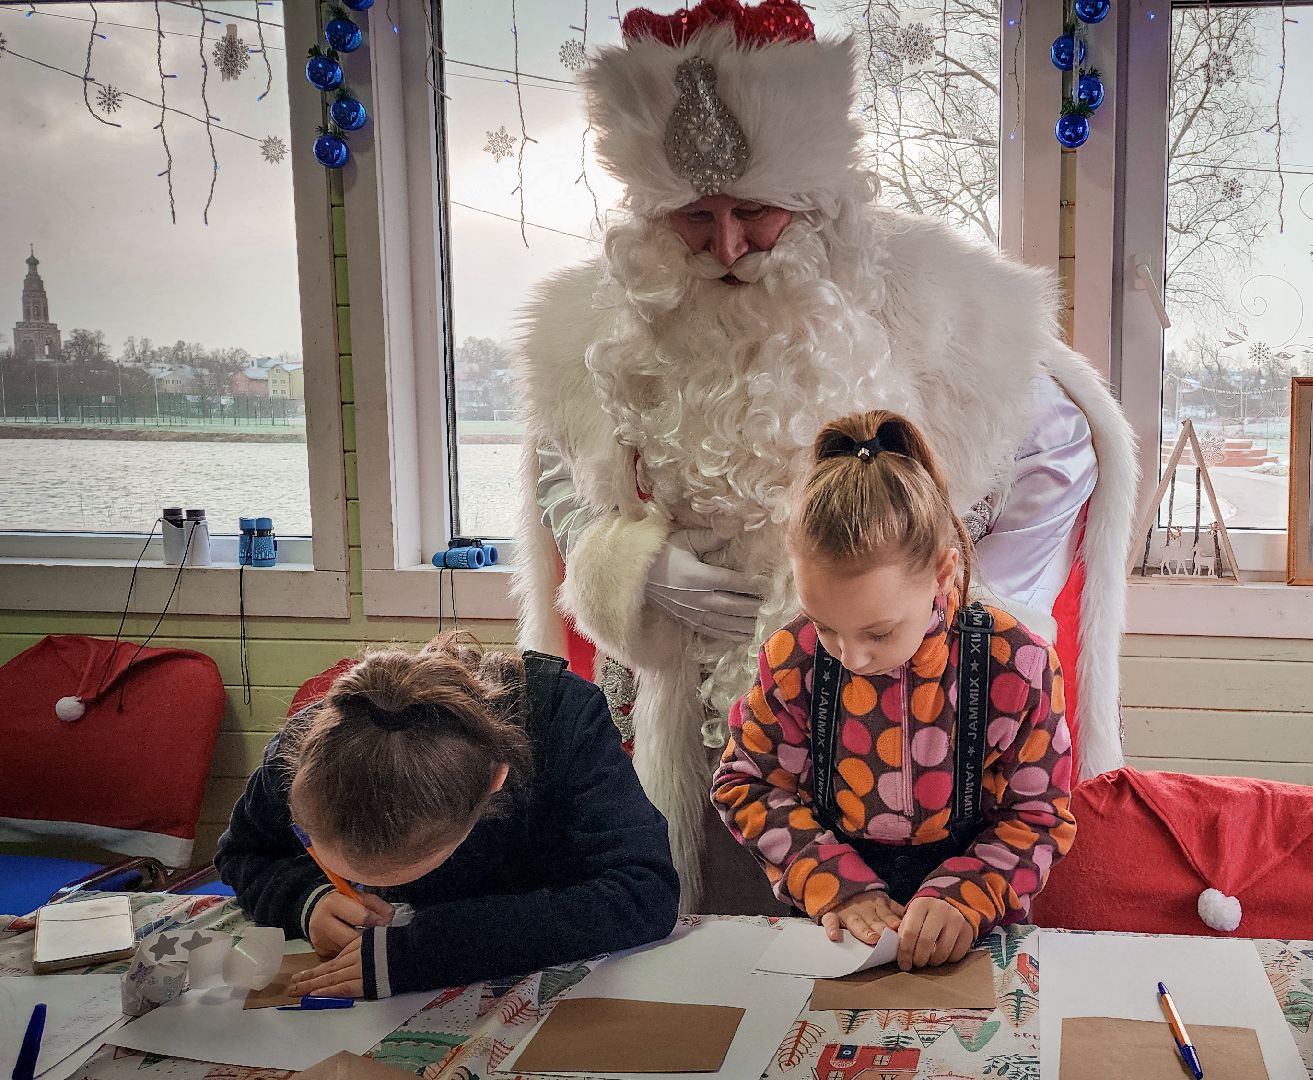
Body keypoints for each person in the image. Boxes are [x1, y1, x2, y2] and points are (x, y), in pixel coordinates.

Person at [510, 0, 1134, 912]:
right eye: (694, 217)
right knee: (724, 973)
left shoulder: (949, 307)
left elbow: (1065, 448)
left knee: (909, 968)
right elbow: (559, 466)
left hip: (918, 734)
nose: (727, 247)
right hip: (711, 743)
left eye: (755, 212)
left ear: (813, 200)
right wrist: (633, 571)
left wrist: (955, 614)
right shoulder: (590, 332)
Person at [713, 412, 1075, 970]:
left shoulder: (1017, 667)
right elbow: (749, 784)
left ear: (942, 574)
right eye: (825, 623)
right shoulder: (795, 659)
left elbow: (1039, 816)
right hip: (838, 933)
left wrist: (968, 893)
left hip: (972, 935)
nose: (851, 657)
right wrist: (837, 882)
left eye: (878, 632)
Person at [215, 632, 680, 999]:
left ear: (496, 782)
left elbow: (645, 890)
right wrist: (306, 901)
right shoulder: (311, 747)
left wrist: (430, 950)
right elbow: (245, 852)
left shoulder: (561, 721)